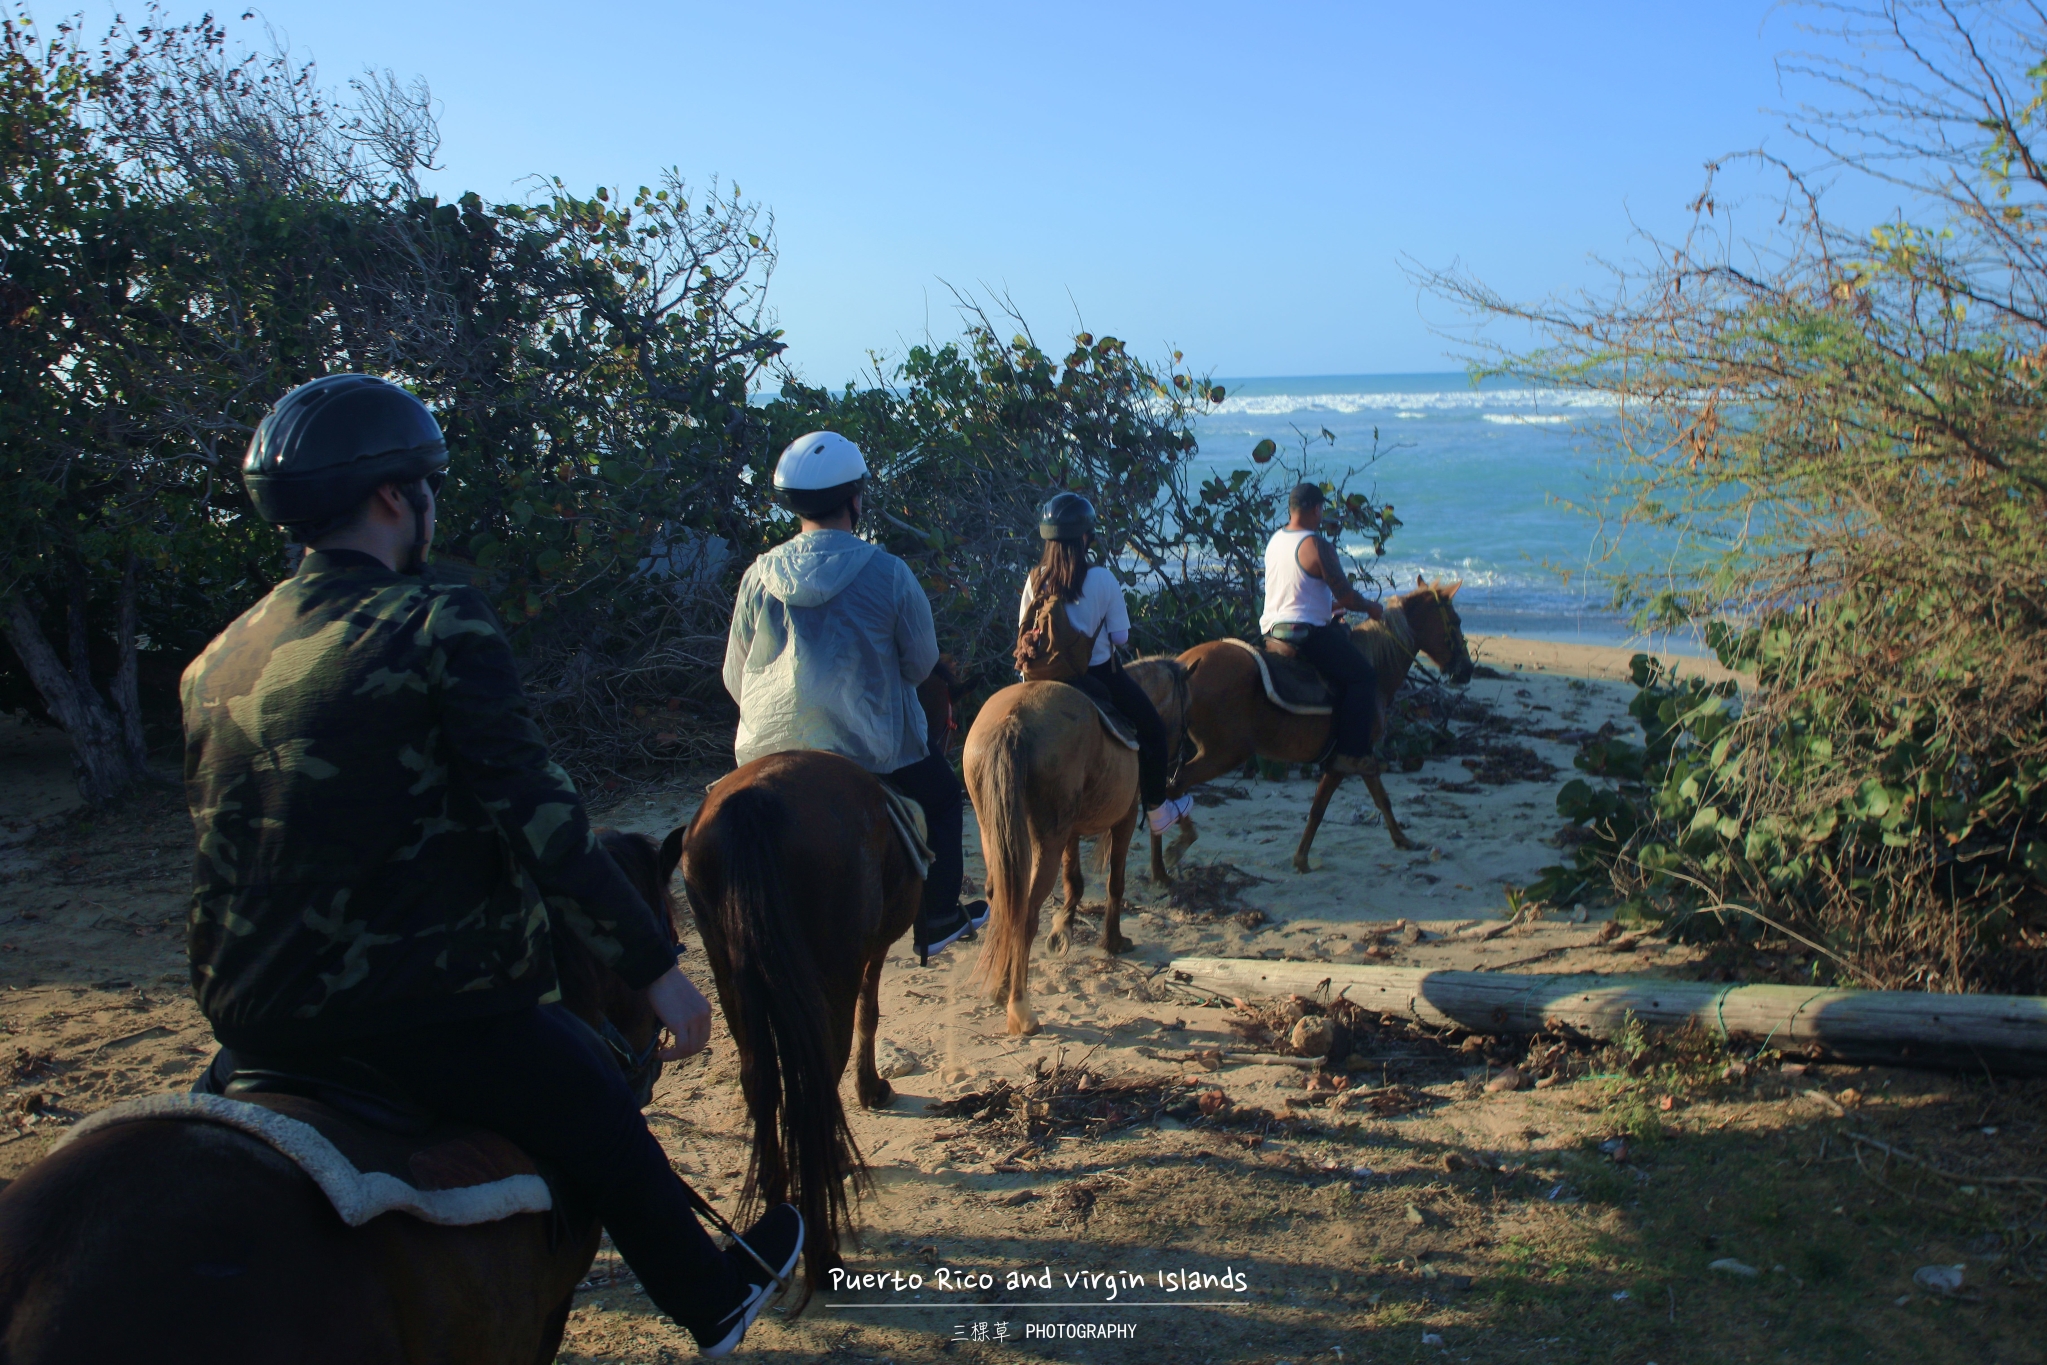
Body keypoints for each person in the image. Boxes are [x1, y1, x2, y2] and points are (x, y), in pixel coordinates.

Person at [184, 374, 798, 1358]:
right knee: (602, 1118)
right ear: (395, 498)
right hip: (422, 1013)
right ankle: (713, 1294)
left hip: (252, 1024)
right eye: (426, 486)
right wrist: (652, 967)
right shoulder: (435, 622)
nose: (429, 505)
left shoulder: (216, 658)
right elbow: (537, 814)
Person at [723, 431, 989, 965]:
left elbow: (735, 676)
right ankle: (937, 917)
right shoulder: (889, 573)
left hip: (766, 749)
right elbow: (918, 667)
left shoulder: (758, 576)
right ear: (854, 499)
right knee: (941, 795)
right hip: (869, 747)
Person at [1017, 493, 1193, 836]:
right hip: (1093, 676)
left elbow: (1023, 627)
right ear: (1085, 537)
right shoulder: (1101, 579)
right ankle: (1157, 810)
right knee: (1153, 729)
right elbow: (1122, 639)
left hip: (1034, 679)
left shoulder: (1035, 577)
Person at [1260, 482, 1386, 774]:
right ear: (1316, 509)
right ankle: (1350, 753)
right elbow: (1346, 596)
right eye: (1321, 510)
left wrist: (1328, 609)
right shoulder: (1316, 545)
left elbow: (1293, 593)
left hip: (1271, 628)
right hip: (1304, 635)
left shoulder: (1276, 540)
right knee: (1364, 677)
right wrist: (1371, 607)